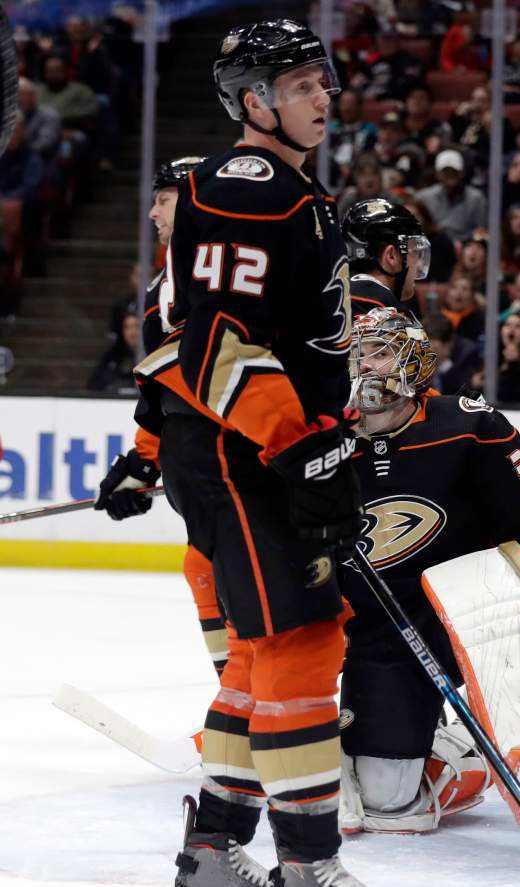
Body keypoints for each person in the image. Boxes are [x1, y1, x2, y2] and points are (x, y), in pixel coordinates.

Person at [129, 21, 365, 885]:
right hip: (245, 451)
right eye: (302, 85)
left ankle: (211, 847)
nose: (323, 97)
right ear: (254, 100)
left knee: (265, 650)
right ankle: (309, 866)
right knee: (300, 642)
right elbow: (212, 339)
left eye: (324, 81)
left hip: (255, 449)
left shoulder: (292, 190)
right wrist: (299, 445)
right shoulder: (247, 183)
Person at [339, 307, 520, 836]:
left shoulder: (469, 426)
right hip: (374, 631)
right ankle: (441, 748)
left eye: (378, 352)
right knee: (391, 805)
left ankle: (482, 746)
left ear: (413, 361)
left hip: (473, 617)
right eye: (352, 354)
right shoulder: (321, 439)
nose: (363, 367)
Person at [94, 156, 229, 685]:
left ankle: (259, 709)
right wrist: (143, 462)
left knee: (240, 577)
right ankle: (242, 699)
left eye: (164, 199)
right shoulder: (161, 286)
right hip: (197, 454)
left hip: (237, 454)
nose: (152, 212)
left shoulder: (228, 272)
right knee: (206, 568)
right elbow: (163, 392)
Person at [341, 198, 431, 317]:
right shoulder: (384, 311)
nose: (419, 264)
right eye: (414, 253)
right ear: (391, 256)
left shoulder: (332, 295)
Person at [415, 149, 487, 243]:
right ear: (437, 174)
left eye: (454, 171)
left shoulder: (476, 198)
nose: (450, 175)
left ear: (462, 173)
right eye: (445, 171)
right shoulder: (423, 197)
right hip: (432, 245)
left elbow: (481, 230)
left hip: (466, 245)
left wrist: (466, 243)